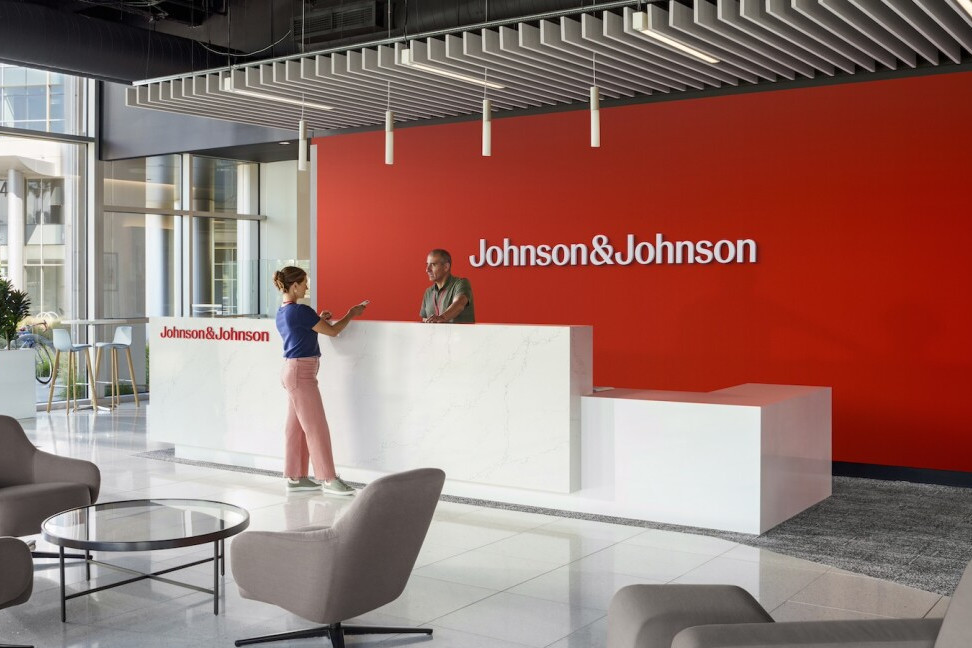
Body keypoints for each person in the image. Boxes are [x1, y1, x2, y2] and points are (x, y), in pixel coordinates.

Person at [273, 266, 367, 494]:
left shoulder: (283, 311)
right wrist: (351, 313)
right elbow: (333, 331)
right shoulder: (301, 310)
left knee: (296, 428)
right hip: (302, 374)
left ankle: (296, 478)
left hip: (292, 371)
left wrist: (318, 319)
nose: (307, 286)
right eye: (304, 282)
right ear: (294, 286)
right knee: (317, 427)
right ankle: (328, 479)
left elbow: (302, 331)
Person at [420, 249, 475, 323]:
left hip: (458, 331)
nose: (427, 269)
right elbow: (424, 318)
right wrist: (427, 320)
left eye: (433, 265)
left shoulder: (460, 283)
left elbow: (459, 304)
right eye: (427, 264)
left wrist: (442, 317)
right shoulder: (428, 292)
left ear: (446, 267)